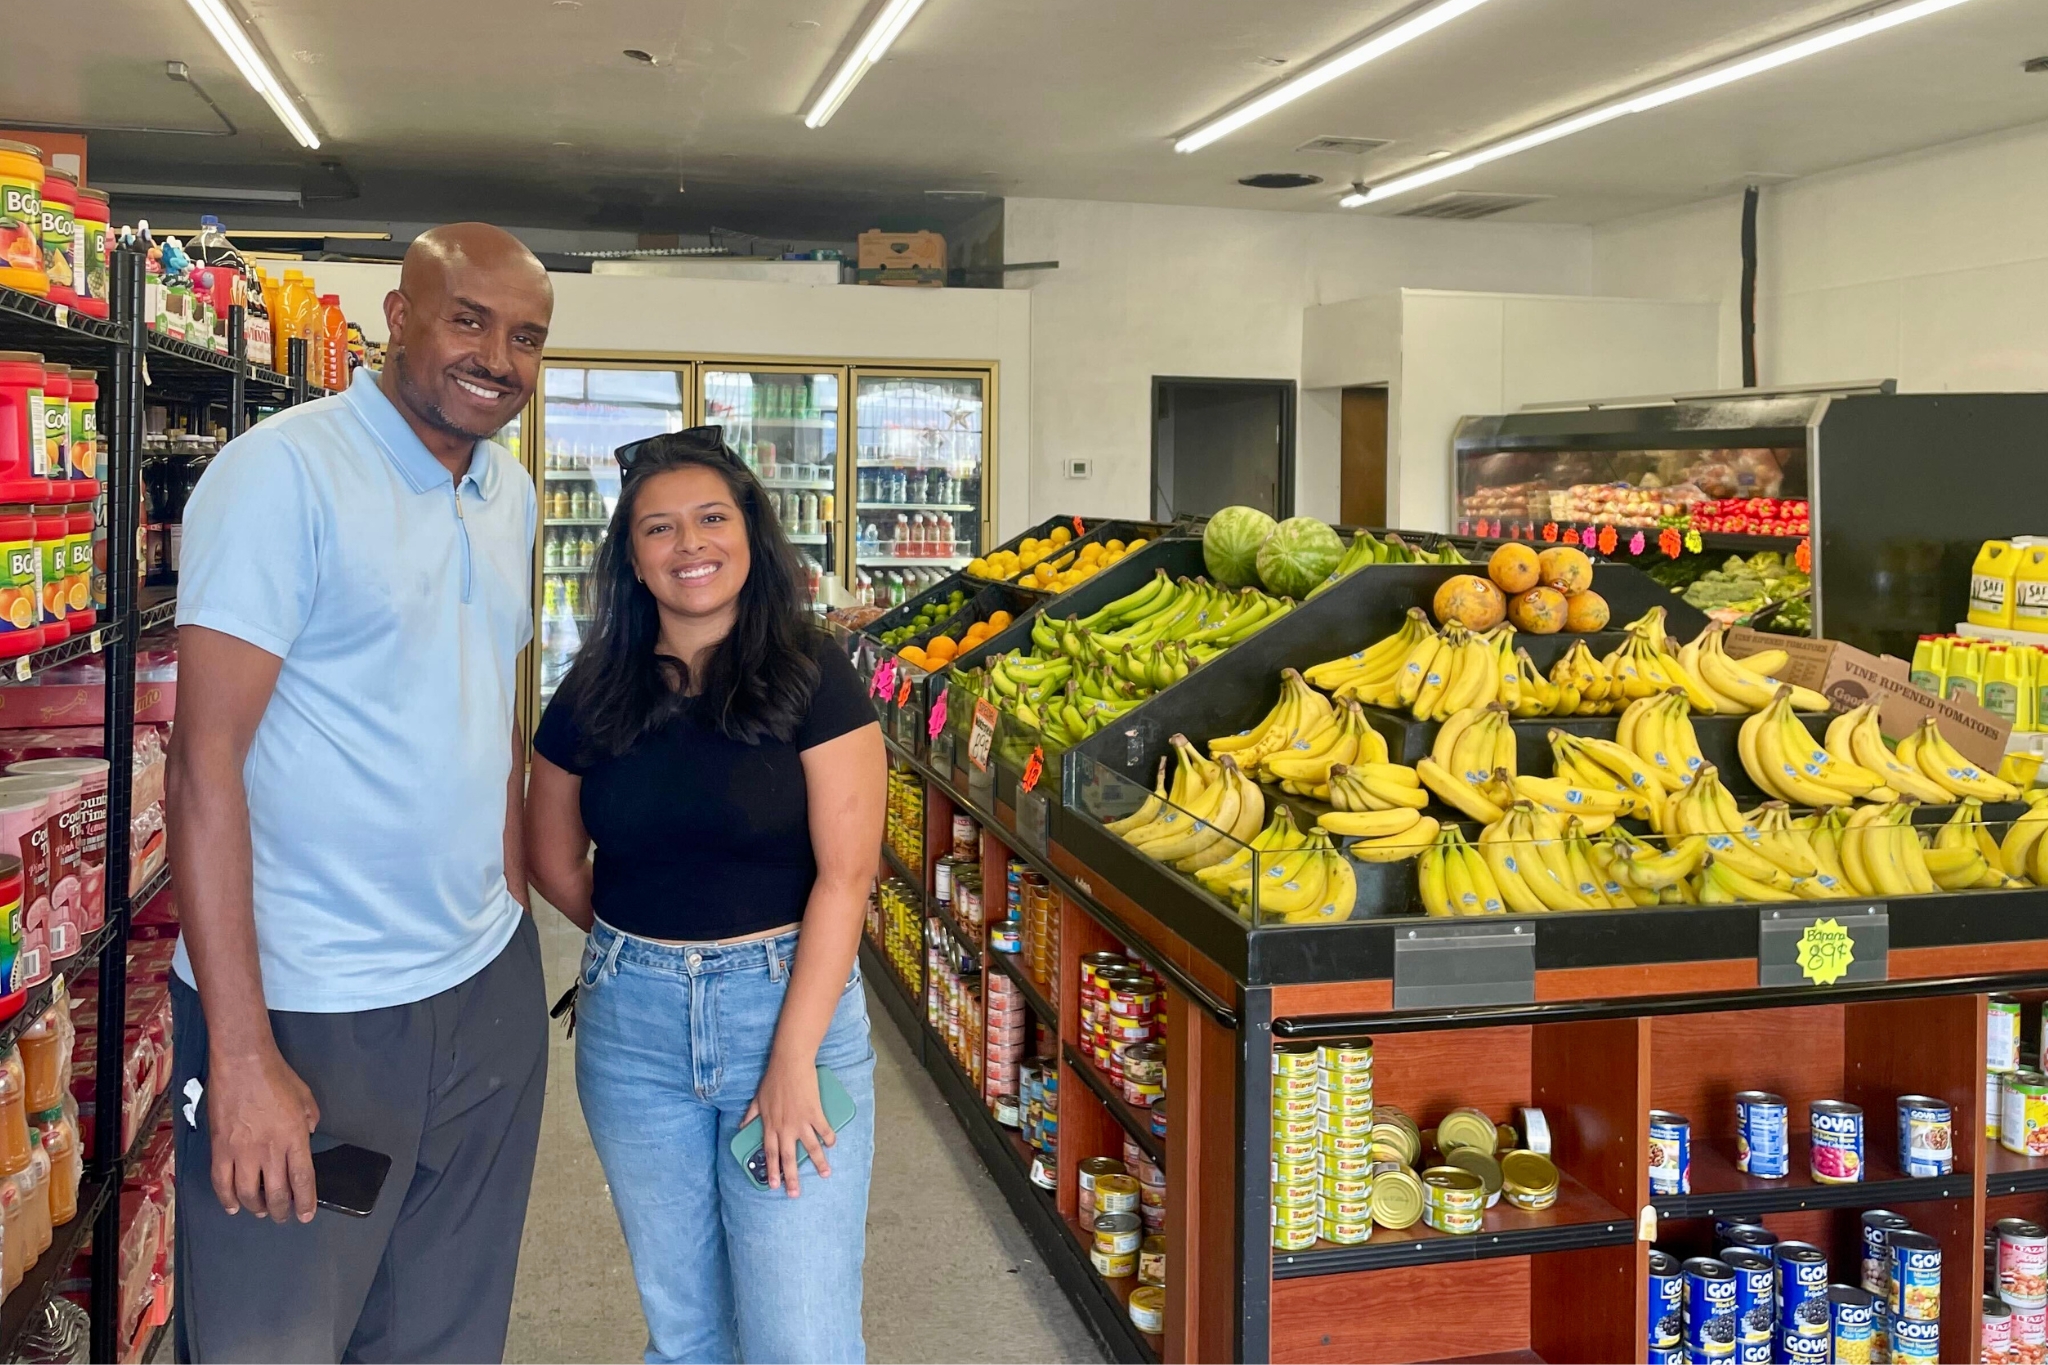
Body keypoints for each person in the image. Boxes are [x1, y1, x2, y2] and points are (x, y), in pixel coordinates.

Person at [165, 223, 554, 1363]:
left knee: (444, 1330)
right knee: (271, 1336)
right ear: (397, 316)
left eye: (525, 336)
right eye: (468, 319)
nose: (497, 357)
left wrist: (512, 915)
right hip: (310, 1006)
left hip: (480, 991)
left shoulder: (508, 495)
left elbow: (488, 714)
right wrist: (239, 1053)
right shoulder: (284, 472)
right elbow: (203, 763)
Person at [525, 427, 884, 1364]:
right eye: (659, 529)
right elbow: (552, 853)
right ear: (632, 559)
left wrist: (794, 1054)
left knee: (801, 1339)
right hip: (632, 1030)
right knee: (686, 1333)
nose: (690, 545)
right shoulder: (594, 687)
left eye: (712, 518)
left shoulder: (815, 673)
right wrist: (640, 947)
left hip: (788, 1005)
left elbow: (847, 876)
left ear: (751, 535)